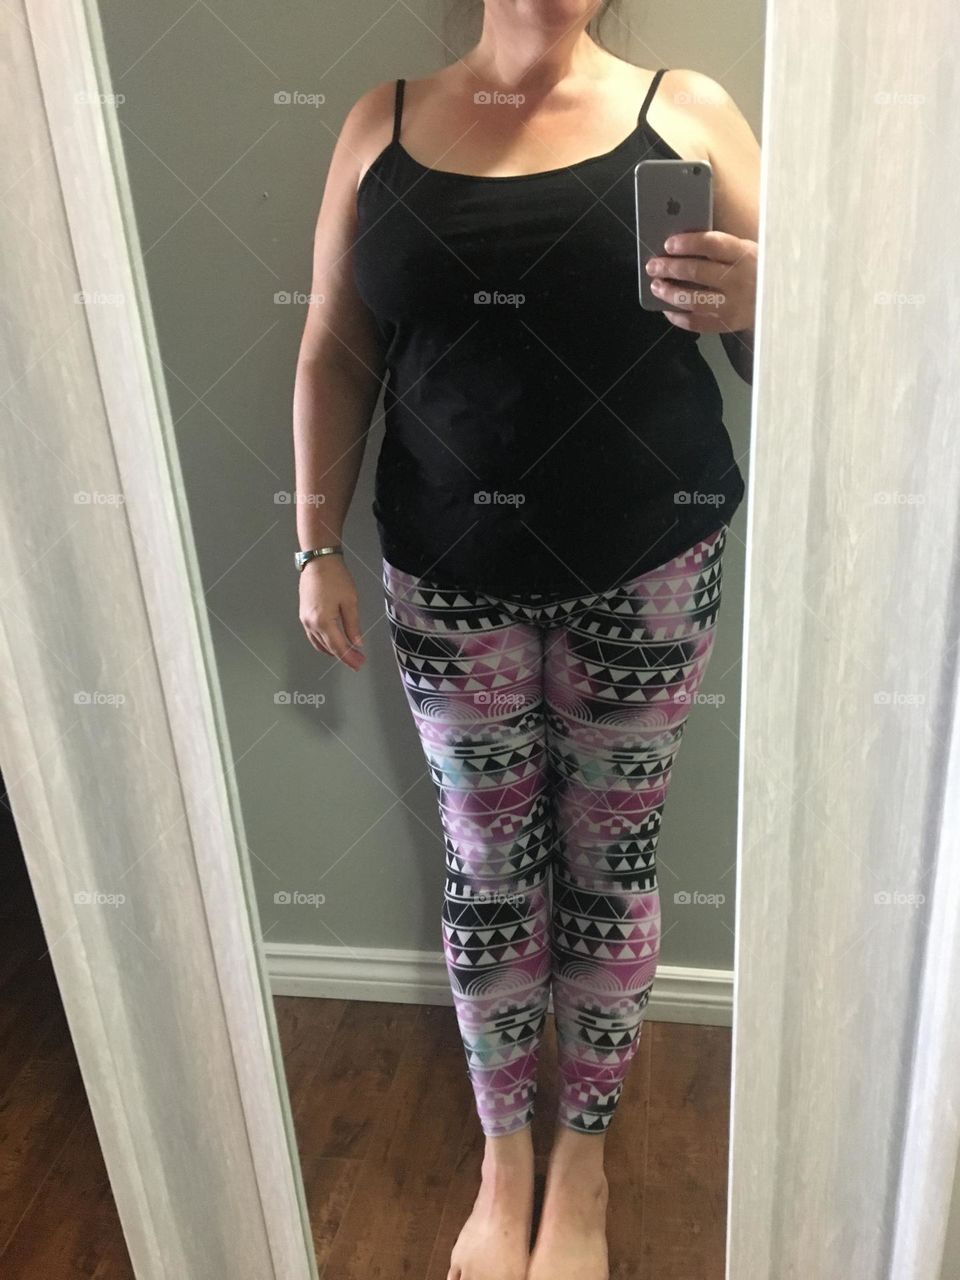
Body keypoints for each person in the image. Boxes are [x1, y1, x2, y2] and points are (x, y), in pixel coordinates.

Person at [292, 4, 759, 1277]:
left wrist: (774, 294)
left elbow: (799, 357)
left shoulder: (690, 109)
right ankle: (505, 1165)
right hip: (445, 572)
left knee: (613, 861)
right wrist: (312, 540)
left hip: (649, 561)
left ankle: (585, 1165)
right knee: (489, 867)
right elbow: (334, 344)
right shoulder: (378, 124)